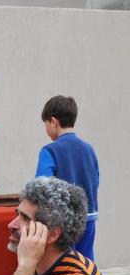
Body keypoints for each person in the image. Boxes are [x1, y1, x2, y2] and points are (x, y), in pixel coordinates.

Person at [36, 95, 99, 260]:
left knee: (63, 265)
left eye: (45, 124)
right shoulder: (89, 149)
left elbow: (42, 186)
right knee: (86, 263)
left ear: (53, 121)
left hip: (63, 223)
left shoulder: (49, 151)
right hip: (88, 218)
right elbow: (96, 180)